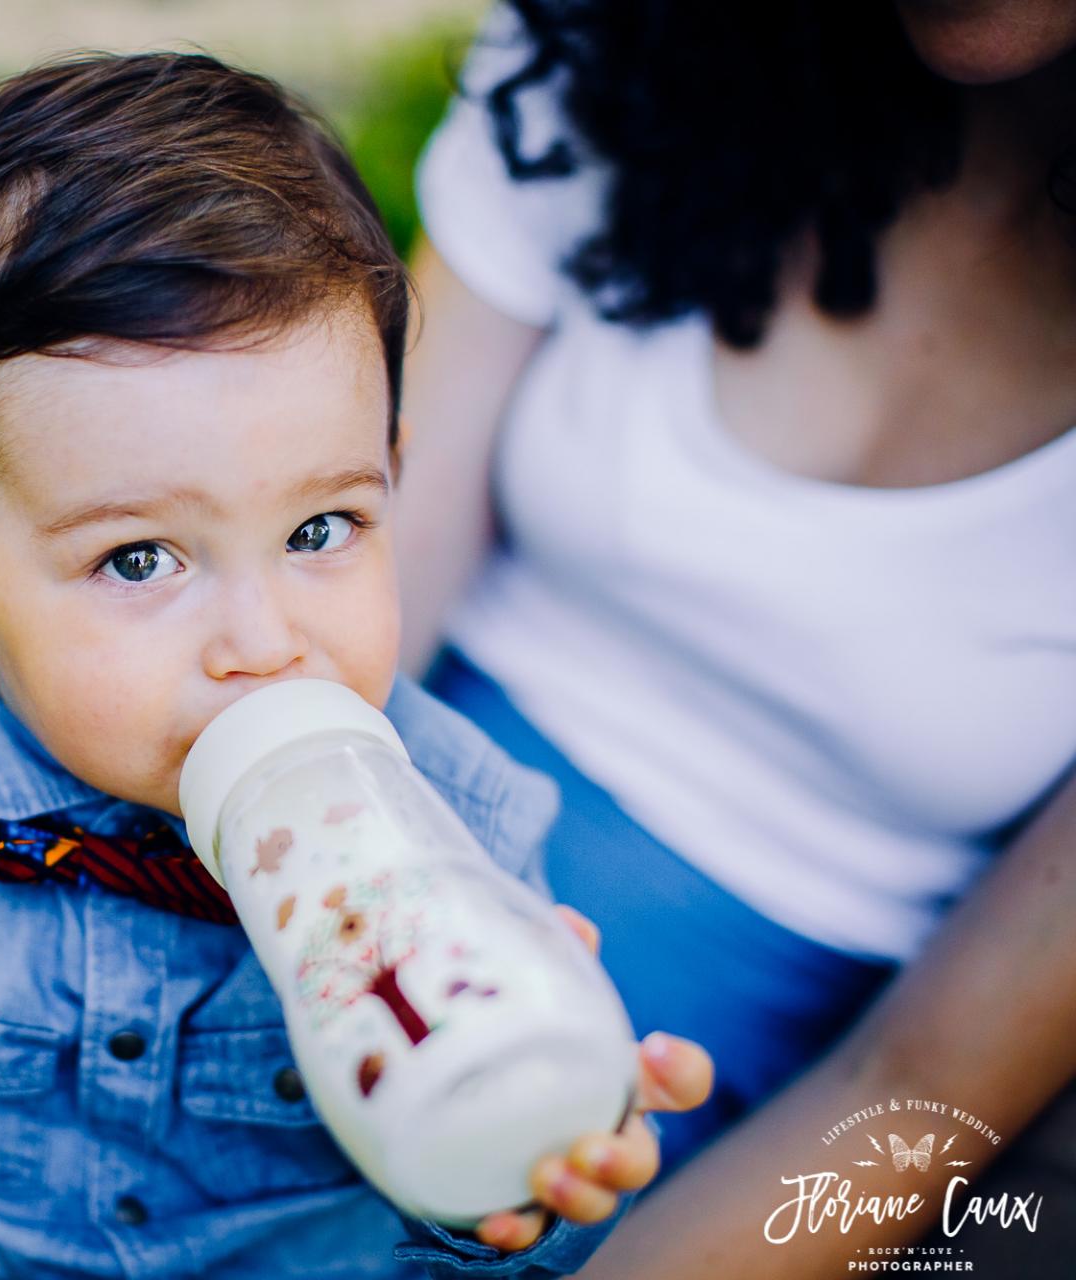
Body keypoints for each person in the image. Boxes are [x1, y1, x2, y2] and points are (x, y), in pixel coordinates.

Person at [0, 50, 713, 1280]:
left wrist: (522, 1174)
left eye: (321, 530)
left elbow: (494, 1199)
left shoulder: (463, 837)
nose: (265, 645)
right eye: (142, 558)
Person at [384, 0, 1076, 1267]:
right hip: (350, 857)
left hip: (705, 1136)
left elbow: (912, 1087)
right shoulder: (620, 48)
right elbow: (355, 585)